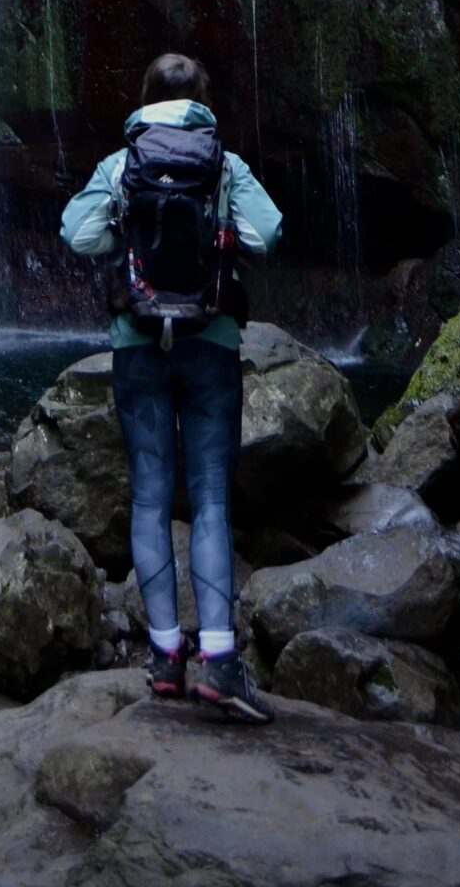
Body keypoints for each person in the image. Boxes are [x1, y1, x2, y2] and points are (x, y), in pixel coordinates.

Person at [61, 50, 283, 721]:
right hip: (210, 341)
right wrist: (220, 238)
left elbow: (78, 235)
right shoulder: (223, 162)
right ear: (202, 97)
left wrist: (127, 237)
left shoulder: (120, 162)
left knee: (151, 497)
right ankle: (219, 661)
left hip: (138, 344)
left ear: (144, 94)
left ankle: (163, 656)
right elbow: (267, 234)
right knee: (211, 498)